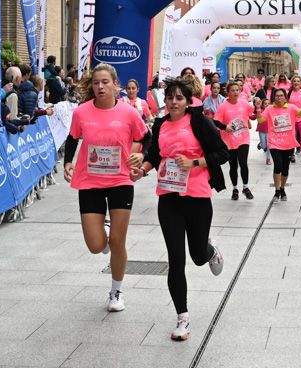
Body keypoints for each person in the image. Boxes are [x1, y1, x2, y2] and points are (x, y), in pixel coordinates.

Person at [136, 78, 227, 341]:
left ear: (188, 102)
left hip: (197, 197)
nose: (173, 102)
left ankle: (210, 251)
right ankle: (182, 318)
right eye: (170, 98)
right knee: (176, 259)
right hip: (169, 198)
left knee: (197, 256)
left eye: (179, 98)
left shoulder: (199, 122)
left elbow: (223, 152)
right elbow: (154, 155)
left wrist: (195, 162)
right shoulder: (161, 123)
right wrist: (141, 170)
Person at [61, 63, 149, 313]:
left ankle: (116, 291)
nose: (100, 86)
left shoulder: (129, 113)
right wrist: (68, 162)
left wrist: (140, 158)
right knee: (95, 245)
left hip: (120, 180)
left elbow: (146, 137)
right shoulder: (82, 112)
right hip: (90, 181)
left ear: (115, 85)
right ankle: (105, 231)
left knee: (119, 241)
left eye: (105, 82)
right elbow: (72, 138)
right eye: (96, 83)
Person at [260, 86, 301, 200]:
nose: (279, 98)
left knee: (285, 168)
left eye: (281, 96)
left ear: (285, 98)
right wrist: (258, 110)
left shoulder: (292, 107)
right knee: (278, 165)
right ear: (273, 97)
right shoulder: (269, 108)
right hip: (274, 143)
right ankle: (277, 190)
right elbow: (260, 121)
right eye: (277, 96)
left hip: (289, 143)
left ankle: (283, 188)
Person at [214, 81, 255, 200]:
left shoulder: (244, 103)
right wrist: (225, 127)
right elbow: (216, 121)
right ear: (228, 92)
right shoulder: (223, 106)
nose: (236, 92)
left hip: (243, 137)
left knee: (243, 163)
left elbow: (251, 114)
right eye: (233, 90)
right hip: (229, 139)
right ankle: (235, 188)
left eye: (237, 90)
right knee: (233, 165)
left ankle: (246, 187)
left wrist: (258, 108)